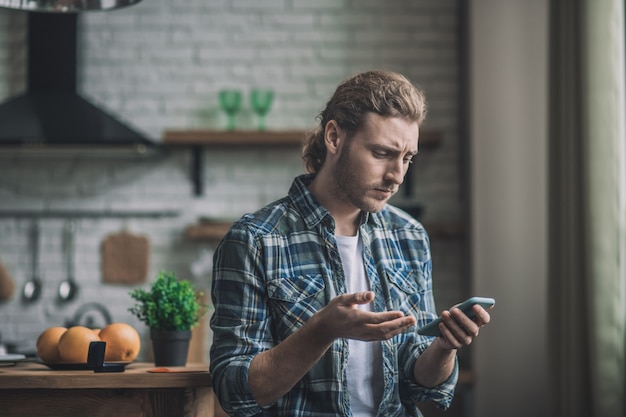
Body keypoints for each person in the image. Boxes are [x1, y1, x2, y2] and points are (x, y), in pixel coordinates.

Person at [209, 70, 491, 417]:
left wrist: (445, 347)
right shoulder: (255, 240)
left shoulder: (409, 236)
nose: (397, 176)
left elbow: (421, 384)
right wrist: (321, 331)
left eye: (407, 158)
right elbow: (234, 390)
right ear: (334, 137)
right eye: (382, 153)